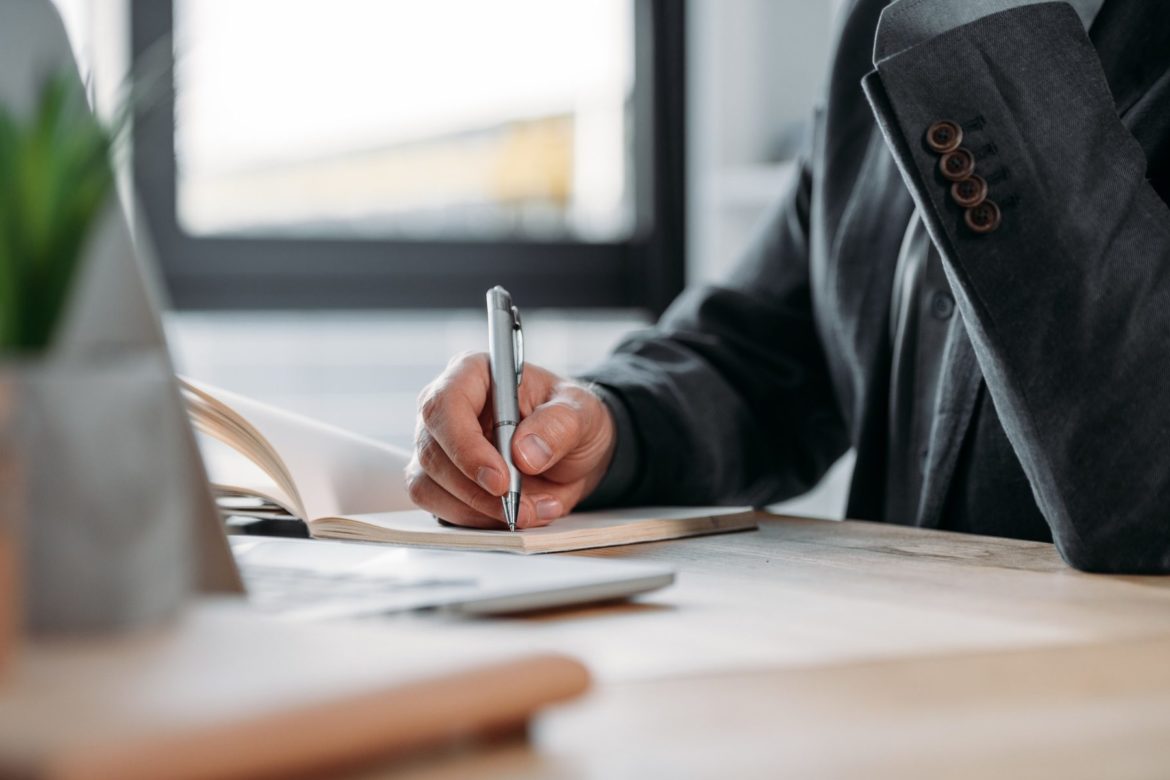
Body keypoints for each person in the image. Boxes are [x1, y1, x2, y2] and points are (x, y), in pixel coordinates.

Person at [407, 0, 1170, 574]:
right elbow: (767, 347)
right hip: (908, 693)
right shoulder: (880, 24)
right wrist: (604, 422)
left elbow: (1145, 495)